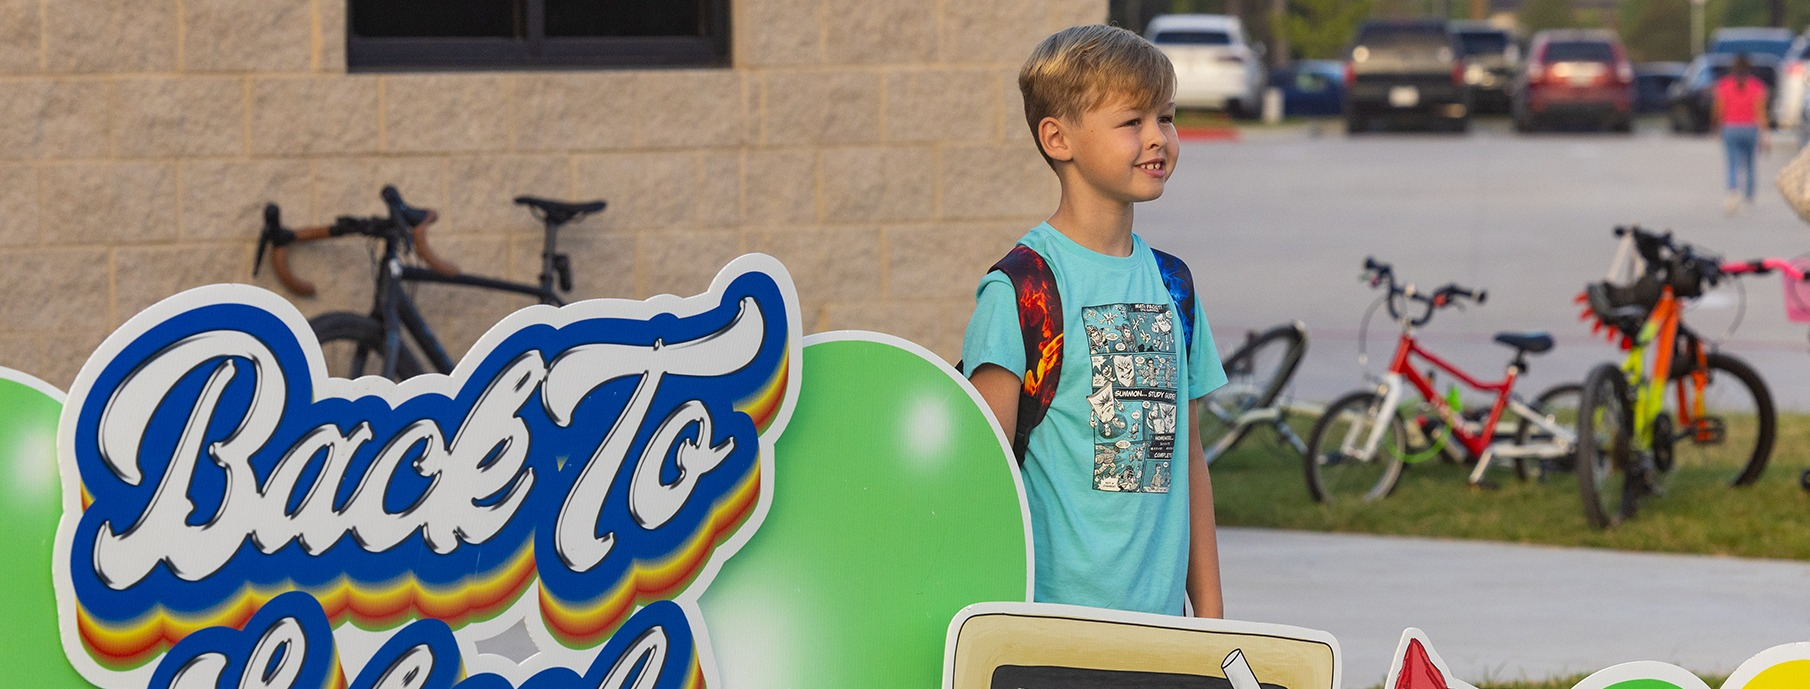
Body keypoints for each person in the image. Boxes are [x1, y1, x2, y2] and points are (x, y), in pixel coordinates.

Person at [961, 25, 1228, 617]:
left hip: (1159, 634)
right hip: (1047, 631)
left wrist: (1209, 617)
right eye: (1132, 121)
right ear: (1058, 138)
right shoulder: (1023, 291)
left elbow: (1188, 461)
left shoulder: (1173, 285)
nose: (1158, 138)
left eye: (1168, 118)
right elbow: (979, 481)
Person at [1714, 53, 1770, 215]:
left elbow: (1719, 109)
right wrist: (1765, 133)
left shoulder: (1724, 85)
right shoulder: (1757, 86)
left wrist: (1717, 126)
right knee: (1750, 163)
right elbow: (1761, 112)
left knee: (1732, 163)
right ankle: (1749, 195)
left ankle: (1733, 191)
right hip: (1750, 128)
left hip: (1730, 127)